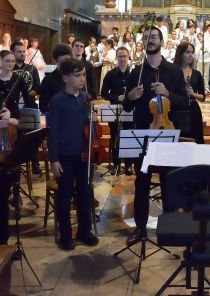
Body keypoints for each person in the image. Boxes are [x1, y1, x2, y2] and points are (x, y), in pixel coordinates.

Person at [122, 26, 188, 245]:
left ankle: (169, 226)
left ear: (161, 40)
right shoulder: (136, 72)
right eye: (146, 37)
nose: (150, 40)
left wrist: (168, 93)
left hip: (167, 132)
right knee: (142, 182)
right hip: (144, 133)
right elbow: (127, 107)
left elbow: (185, 102)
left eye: (154, 37)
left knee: (169, 181)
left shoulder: (174, 71)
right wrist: (130, 97)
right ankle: (140, 227)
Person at [48, 59, 99, 250]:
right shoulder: (58, 101)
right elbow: (52, 131)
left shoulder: (86, 98)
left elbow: (88, 127)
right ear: (65, 78)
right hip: (65, 155)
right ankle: (66, 235)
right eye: (77, 75)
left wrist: (94, 119)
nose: (82, 79)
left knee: (84, 195)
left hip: (84, 154)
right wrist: (54, 159)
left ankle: (84, 231)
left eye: (83, 75)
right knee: (65, 196)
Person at [100, 47, 134, 175]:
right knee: (115, 137)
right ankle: (116, 164)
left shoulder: (134, 73)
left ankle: (129, 164)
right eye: (120, 56)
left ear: (128, 57)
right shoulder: (110, 74)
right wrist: (116, 98)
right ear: (116, 58)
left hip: (130, 110)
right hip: (115, 109)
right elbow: (103, 93)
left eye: (124, 56)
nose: (122, 59)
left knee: (129, 137)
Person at [11, 41, 42, 174]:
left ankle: (35, 162)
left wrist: (27, 94)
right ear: (13, 53)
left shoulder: (31, 69)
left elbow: (37, 87)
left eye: (24, 51)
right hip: (12, 108)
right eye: (19, 52)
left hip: (29, 106)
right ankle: (14, 163)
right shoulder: (9, 69)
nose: (22, 54)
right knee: (15, 137)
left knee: (32, 136)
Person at [174, 42, 205, 143]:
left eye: (192, 52)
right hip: (176, 110)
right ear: (180, 54)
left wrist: (193, 94)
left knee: (195, 140)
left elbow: (203, 97)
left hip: (193, 111)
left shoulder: (197, 74)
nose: (191, 55)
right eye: (187, 52)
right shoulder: (172, 71)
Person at [0, 107, 19, 245]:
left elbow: (31, 124)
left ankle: (3, 241)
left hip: (4, 168)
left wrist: (11, 120)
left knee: (2, 204)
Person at [39, 44, 72, 114]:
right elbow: (43, 105)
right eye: (63, 54)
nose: (67, 57)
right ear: (56, 59)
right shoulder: (48, 79)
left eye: (68, 54)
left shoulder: (74, 77)